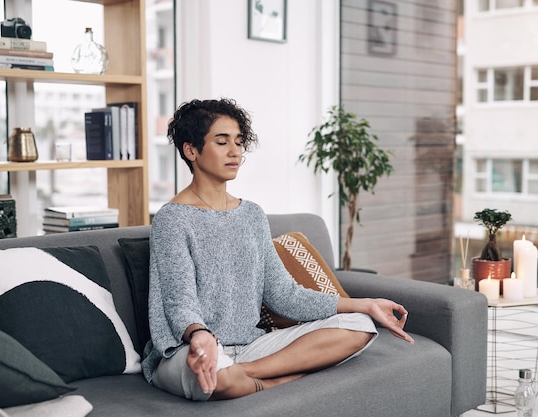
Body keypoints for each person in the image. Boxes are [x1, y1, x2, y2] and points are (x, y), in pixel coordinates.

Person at [141, 98, 414, 401]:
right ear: (191, 150)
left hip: (250, 347)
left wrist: (364, 304)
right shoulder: (172, 218)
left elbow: (285, 296)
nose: (235, 152)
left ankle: (248, 374)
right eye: (222, 142)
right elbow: (179, 303)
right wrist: (199, 335)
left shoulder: (252, 215)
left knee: (360, 325)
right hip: (188, 348)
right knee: (215, 376)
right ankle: (280, 377)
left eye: (239, 142)